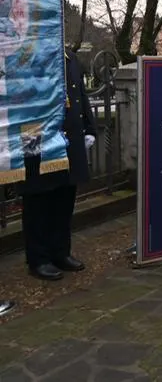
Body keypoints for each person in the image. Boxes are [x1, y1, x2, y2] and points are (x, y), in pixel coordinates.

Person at [20, 48, 95, 281]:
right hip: (36, 135)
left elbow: (79, 93)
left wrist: (89, 128)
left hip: (68, 136)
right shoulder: (26, 54)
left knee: (65, 196)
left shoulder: (69, 56)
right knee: (38, 198)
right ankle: (39, 258)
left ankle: (60, 252)